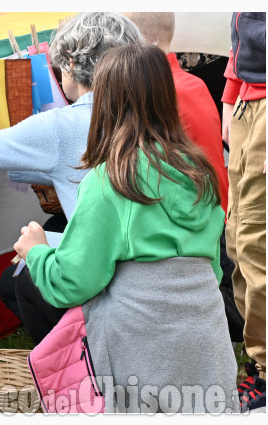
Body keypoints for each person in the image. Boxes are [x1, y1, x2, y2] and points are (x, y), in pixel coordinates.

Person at [14, 43, 237, 413]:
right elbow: (212, 269)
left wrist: (37, 251)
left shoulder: (109, 181)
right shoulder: (200, 173)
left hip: (141, 357)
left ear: (105, 102)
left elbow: (72, 283)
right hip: (207, 344)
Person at [0, 12, 142, 344]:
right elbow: (76, 165)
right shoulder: (141, 107)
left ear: (71, 62)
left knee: (18, 281)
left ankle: (76, 364)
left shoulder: (63, 124)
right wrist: (19, 146)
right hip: (147, 267)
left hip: (106, 280)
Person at [122, 11, 245, 347]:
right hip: (217, 212)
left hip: (198, 229)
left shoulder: (157, 94)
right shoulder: (194, 82)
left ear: (135, 39)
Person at [220, 12, 266, 411]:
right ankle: (258, 362)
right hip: (248, 103)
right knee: (237, 242)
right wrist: (231, 94)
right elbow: (244, 33)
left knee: (257, 247)